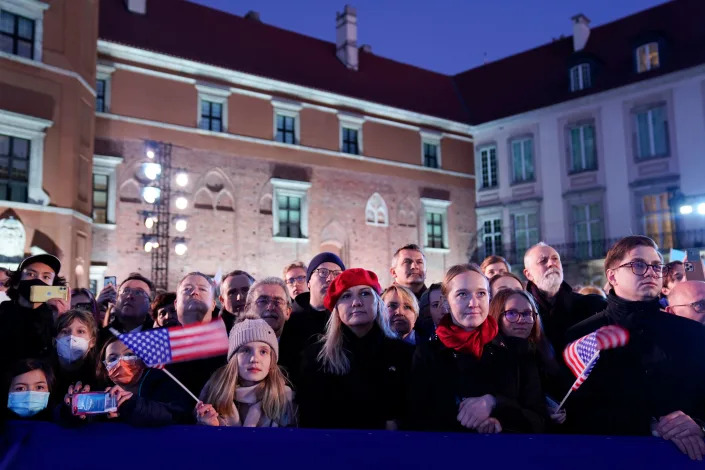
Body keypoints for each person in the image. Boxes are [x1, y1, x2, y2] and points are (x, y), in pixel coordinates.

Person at [567, 236, 705, 460]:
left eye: (656, 266)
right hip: (611, 458)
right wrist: (649, 425)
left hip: (685, 458)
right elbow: (575, 411)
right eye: (638, 265)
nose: (651, 272)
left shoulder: (693, 333)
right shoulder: (582, 336)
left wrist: (698, 425)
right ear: (612, 276)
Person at [409, 264, 545, 434]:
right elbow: (416, 419)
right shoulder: (427, 354)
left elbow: (539, 419)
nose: (473, 303)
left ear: (489, 298)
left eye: (481, 293)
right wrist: (468, 422)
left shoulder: (518, 351)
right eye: (462, 294)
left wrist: (495, 405)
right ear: (446, 302)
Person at [297, 268, 413, 430]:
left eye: (365, 294)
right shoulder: (317, 357)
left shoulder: (404, 354)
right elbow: (310, 416)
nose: (356, 302)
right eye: (346, 296)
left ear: (377, 302)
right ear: (336, 308)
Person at [62, 336, 195, 426]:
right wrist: (69, 410)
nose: (121, 361)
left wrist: (128, 404)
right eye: (112, 358)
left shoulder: (165, 385)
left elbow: (176, 414)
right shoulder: (99, 393)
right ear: (104, 367)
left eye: (129, 355)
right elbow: (61, 418)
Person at [196, 317, 295, 427]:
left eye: (263, 351)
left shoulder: (284, 396)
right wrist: (207, 428)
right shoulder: (214, 391)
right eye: (246, 350)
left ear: (271, 360)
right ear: (234, 357)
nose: (254, 359)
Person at [488, 288, 565, 424]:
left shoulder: (539, 354)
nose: (521, 320)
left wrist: (546, 410)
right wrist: (541, 417)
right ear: (497, 316)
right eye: (511, 313)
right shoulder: (488, 355)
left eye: (527, 314)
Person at [523, 242, 606, 355]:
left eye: (555, 259)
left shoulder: (590, 305)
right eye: (543, 261)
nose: (552, 263)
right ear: (528, 274)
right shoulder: (522, 313)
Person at [279, 252, 345, 389]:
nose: (329, 279)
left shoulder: (347, 321)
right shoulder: (289, 321)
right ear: (309, 282)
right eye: (323, 272)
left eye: (337, 274)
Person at [0, 254, 69, 378]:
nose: (38, 280)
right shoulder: (3, 312)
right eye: (30, 274)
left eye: (46, 277)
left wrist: (63, 320)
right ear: (16, 283)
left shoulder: (55, 317)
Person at [166, 272, 225, 396]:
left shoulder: (230, 338)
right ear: (176, 304)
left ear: (214, 304)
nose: (194, 292)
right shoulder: (159, 341)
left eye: (202, 289)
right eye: (187, 289)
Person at [52, 310, 99, 400]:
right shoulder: (43, 374)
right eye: (65, 332)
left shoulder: (100, 376)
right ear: (54, 341)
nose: (72, 337)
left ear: (92, 342)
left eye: (80, 331)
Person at [101, 273, 154, 339]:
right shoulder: (101, 336)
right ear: (116, 299)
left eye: (139, 292)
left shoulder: (158, 336)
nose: (129, 296)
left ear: (150, 304)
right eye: (125, 291)